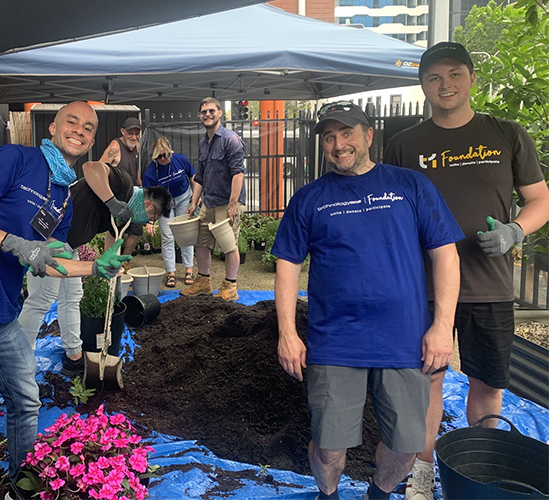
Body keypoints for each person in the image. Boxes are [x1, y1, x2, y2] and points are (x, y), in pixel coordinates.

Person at [0, 101, 132, 500]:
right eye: (71, 122)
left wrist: (95, 268)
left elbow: (48, 262)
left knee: (27, 402)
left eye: (88, 127)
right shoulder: (16, 158)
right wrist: (15, 243)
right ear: (54, 127)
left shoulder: (63, 195)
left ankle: (22, 490)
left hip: (4, 314)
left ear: (93, 139)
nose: (79, 130)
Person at [383, 41, 549, 500]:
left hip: (490, 288)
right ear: (422, 86)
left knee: (488, 385)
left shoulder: (507, 134)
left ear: (472, 79)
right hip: (424, 292)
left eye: (455, 74)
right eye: (434, 77)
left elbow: (540, 200)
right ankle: (420, 476)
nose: (445, 85)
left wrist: (516, 230)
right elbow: (389, 213)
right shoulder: (404, 145)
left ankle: (482, 474)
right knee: (425, 385)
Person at [274, 102, 463, 500]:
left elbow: (445, 254)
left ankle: (378, 494)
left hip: (404, 340)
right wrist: (287, 333)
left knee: (407, 443)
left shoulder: (411, 186)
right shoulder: (309, 198)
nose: (339, 144)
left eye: (347, 133)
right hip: (335, 340)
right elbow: (288, 265)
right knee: (328, 446)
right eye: (330, 137)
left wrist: (442, 326)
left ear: (368, 135)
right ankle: (329, 495)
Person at [19, 160, 172, 373]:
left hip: (69, 245)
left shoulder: (122, 214)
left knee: (72, 297)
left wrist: (113, 277)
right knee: (41, 299)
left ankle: (74, 356)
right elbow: (91, 168)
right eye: (152, 218)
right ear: (149, 206)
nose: (149, 222)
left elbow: (112, 242)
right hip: (50, 236)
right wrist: (111, 201)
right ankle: (19, 364)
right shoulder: (124, 184)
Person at [181, 97, 247, 301]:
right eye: (203, 112)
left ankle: (230, 286)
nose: (207, 115)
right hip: (208, 203)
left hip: (227, 204)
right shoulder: (203, 142)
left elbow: (238, 173)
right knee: (201, 243)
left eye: (211, 111)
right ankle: (203, 282)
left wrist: (233, 204)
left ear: (220, 113)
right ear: (200, 116)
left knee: (229, 245)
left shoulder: (231, 139)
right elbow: (199, 176)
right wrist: (194, 202)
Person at [142, 136, 196, 287]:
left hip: (183, 198)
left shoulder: (180, 160)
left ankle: (189, 270)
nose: (163, 159)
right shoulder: (150, 173)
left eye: (166, 155)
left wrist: (196, 198)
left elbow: (193, 176)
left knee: (186, 235)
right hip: (164, 203)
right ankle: (171, 272)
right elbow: (149, 198)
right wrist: (150, 221)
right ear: (154, 157)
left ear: (170, 152)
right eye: (159, 156)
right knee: (167, 236)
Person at [100, 117, 145, 261]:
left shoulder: (136, 146)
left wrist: (140, 186)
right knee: (114, 231)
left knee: (136, 230)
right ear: (122, 132)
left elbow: (135, 169)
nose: (134, 137)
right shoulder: (115, 146)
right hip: (117, 196)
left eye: (137, 133)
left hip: (133, 194)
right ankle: (108, 263)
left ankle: (124, 261)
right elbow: (99, 168)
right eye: (130, 133)